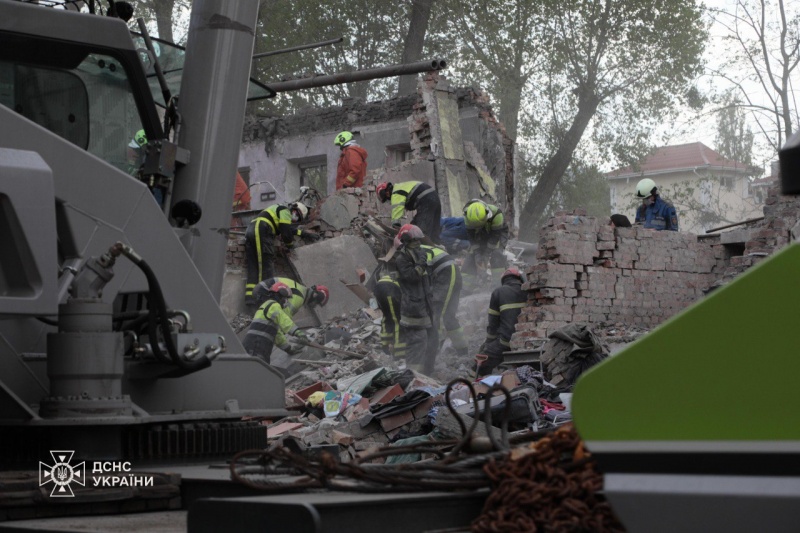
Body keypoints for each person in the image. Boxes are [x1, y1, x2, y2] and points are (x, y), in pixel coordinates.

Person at [244, 202, 319, 304]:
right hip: (262, 230)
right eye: (297, 215)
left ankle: (250, 298)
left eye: (298, 218)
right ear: (294, 210)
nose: (295, 218)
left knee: (253, 266)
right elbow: (286, 233)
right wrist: (290, 245)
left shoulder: (279, 213)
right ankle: (263, 299)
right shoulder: (285, 211)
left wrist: (304, 234)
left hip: (251, 230)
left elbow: (288, 228)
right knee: (265, 266)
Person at [391, 224, 437, 373]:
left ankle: (427, 375)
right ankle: (413, 376)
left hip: (425, 308)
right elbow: (413, 276)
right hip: (413, 310)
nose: (418, 243)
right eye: (414, 241)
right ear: (406, 241)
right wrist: (421, 262)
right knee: (418, 343)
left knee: (431, 341)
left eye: (418, 240)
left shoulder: (417, 254)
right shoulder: (402, 259)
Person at [477, 267, 527, 377]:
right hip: (527, 342)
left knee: (480, 364)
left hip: (506, 341)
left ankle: (472, 384)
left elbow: (493, 324)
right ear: (519, 279)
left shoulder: (498, 292)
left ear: (504, 280)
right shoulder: (528, 291)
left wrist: (488, 344)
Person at [242, 282, 309, 364]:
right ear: (280, 295)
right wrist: (299, 333)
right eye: (286, 298)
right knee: (257, 369)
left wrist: (289, 349)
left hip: (255, 345)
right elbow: (284, 321)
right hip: (257, 346)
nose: (286, 301)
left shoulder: (266, 307)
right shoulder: (273, 305)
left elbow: (277, 335)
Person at [421, 244, 468, 358]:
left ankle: (434, 352)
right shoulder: (419, 250)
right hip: (447, 274)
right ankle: (462, 351)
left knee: (438, 314)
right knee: (448, 316)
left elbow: (424, 277)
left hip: (447, 274)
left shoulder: (415, 253)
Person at [376, 181, 442, 244]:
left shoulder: (395, 194)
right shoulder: (401, 187)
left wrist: (394, 232)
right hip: (434, 197)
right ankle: (441, 248)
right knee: (434, 232)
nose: (388, 199)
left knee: (419, 233)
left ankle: (423, 249)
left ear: (386, 193)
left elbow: (396, 217)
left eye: (387, 198)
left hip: (426, 200)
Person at [462, 199, 509, 277]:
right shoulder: (467, 216)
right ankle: (468, 283)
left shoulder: (496, 214)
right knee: (471, 258)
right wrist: (477, 253)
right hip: (480, 233)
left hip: (498, 232)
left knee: (496, 255)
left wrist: (486, 254)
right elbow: (471, 237)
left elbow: (495, 237)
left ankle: (498, 281)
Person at [366, 262, 402, 356]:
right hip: (389, 289)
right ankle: (399, 351)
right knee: (396, 319)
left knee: (387, 316)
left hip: (380, 287)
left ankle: (385, 344)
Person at [252, 277, 329, 317]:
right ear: (315, 296)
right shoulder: (299, 298)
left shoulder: (300, 290)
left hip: (262, 289)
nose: (314, 305)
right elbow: (284, 316)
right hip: (263, 292)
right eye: (316, 303)